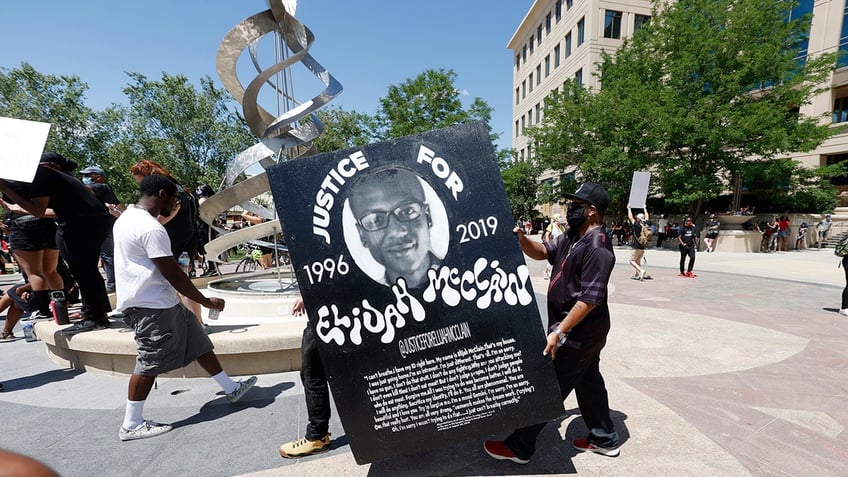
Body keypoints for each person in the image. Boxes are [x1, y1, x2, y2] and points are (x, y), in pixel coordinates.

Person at [484, 182, 620, 463]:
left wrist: (559, 330)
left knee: (551, 386)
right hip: (579, 330)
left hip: (580, 331)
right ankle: (604, 438)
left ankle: (520, 447)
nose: (570, 209)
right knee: (588, 380)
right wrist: (521, 239)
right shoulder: (573, 235)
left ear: (592, 211)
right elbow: (542, 252)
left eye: (576, 205)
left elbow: (589, 300)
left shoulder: (598, 247)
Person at [113, 174, 256, 441]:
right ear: (163, 195)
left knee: (198, 341)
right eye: (176, 198)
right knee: (149, 362)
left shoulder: (127, 218)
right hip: (151, 306)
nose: (178, 203)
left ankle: (230, 387)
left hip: (160, 302)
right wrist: (206, 301)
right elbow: (174, 275)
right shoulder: (151, 229)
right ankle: (131, 423)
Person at [0, 152, 113, 335]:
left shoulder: (40, 175)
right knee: (87, 269)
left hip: (81, 223)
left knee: (82, 270)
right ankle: (97, 311)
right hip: (92, 220)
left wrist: (5, 188)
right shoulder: (55, 175)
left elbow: (37, 209)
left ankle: (95, 317)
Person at [130, 160, 202, 322]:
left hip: (177, 242)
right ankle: (194, 322)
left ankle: (197, 323)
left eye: (139, 179)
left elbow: (162, 219)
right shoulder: (178, 188)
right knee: (181, 284)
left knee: (182, 285)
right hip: (183, 239)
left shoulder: (169, 192)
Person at [348, 168, 441, 288]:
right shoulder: (367, 303)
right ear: (362, 235)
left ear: (428, 216)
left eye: (407, 211)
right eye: (376, 220)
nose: (396, 232)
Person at [278, 297, 334, 459]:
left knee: (312, 375)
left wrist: (308, 294)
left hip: (324, 315)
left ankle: (317, 436)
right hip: (330, 311)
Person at [81, 165, 123, 292]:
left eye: (88, 176)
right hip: (106, 225)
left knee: (107, 256)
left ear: (98, 177)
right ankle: (114, 282)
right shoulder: (107, 188)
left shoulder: (100, 186)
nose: (85, 178)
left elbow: (86, 190)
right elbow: (118, 203)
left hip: (101, 226)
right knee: (107, 255)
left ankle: (112, 284)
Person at [627, 203, 649, 281]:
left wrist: (629, 208)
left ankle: (641, 271)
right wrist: (644, 208)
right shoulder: (646, 224)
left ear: (638, 219)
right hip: (642, 246)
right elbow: (647, 217)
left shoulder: (637, 225)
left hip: (636, 246)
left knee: (632, 261)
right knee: (637, 261)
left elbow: (630, 217)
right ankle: (637, 274)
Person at [542, 214, 566, 279]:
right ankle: (546, 272)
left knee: (557, 260)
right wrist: (548, 244)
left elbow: (564, 236)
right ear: (556, 219)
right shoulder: (551, 225)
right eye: (559, 217)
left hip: (560, 246)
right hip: (553, 245)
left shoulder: (562, 227)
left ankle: (551, 272)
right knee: (553, 259)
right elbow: (547, 235)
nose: (561, 218)